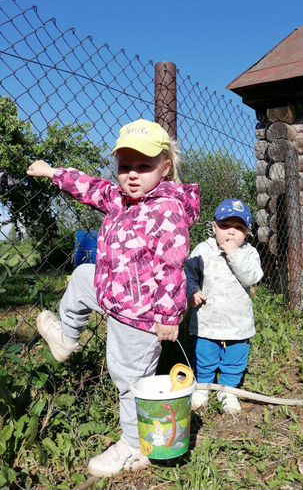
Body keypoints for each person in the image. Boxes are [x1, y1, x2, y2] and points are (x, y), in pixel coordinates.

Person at [26, 119, 200, 477]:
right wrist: (53, 172)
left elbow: (172, 265)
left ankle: (135, 447)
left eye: (144, 166)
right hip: (113, 291)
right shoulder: (120, 200)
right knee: (81, 276)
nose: (132, 175)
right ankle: (66, 340)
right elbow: (90, 188)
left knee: (129, 379)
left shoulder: (165, 210)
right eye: (124, 167)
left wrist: (169, 316)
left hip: (140, 315)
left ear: (165, 167)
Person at [185, 199, 263, 415]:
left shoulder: (249, 253)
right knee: (204, 355)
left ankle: (228, 390)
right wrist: (192, 291)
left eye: (238, 228)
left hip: (238, 322)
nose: (231, 233)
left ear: (247, 233)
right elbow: (189, 273)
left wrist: (233, 254)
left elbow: (251, 278)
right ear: (214, 227)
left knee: (235, 358)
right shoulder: (204, 249)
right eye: (225, 226)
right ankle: (202, 388)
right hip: (208, 319)